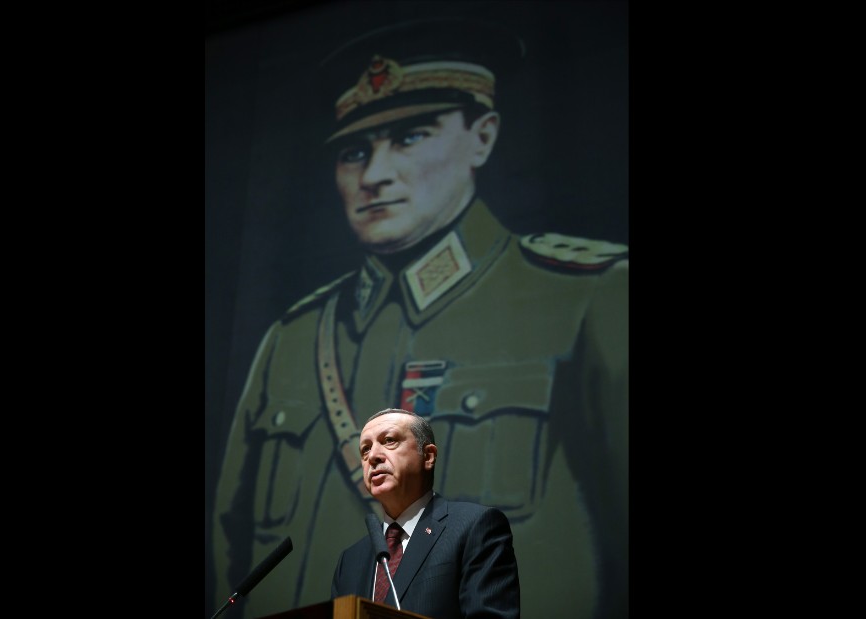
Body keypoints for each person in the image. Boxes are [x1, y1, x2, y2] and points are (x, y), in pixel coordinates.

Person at [212, 16, 628, 619]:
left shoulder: (590, 298)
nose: (374, 174)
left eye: (409, 136)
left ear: (482, 136)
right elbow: (229, 549)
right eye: (354, 151)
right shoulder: (292, 338)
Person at [331, 408, 520, 618]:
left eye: (389, 440)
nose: (373, 456)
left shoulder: (474, 527)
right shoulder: (350, 560)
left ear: (428, 456)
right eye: (365, 449)